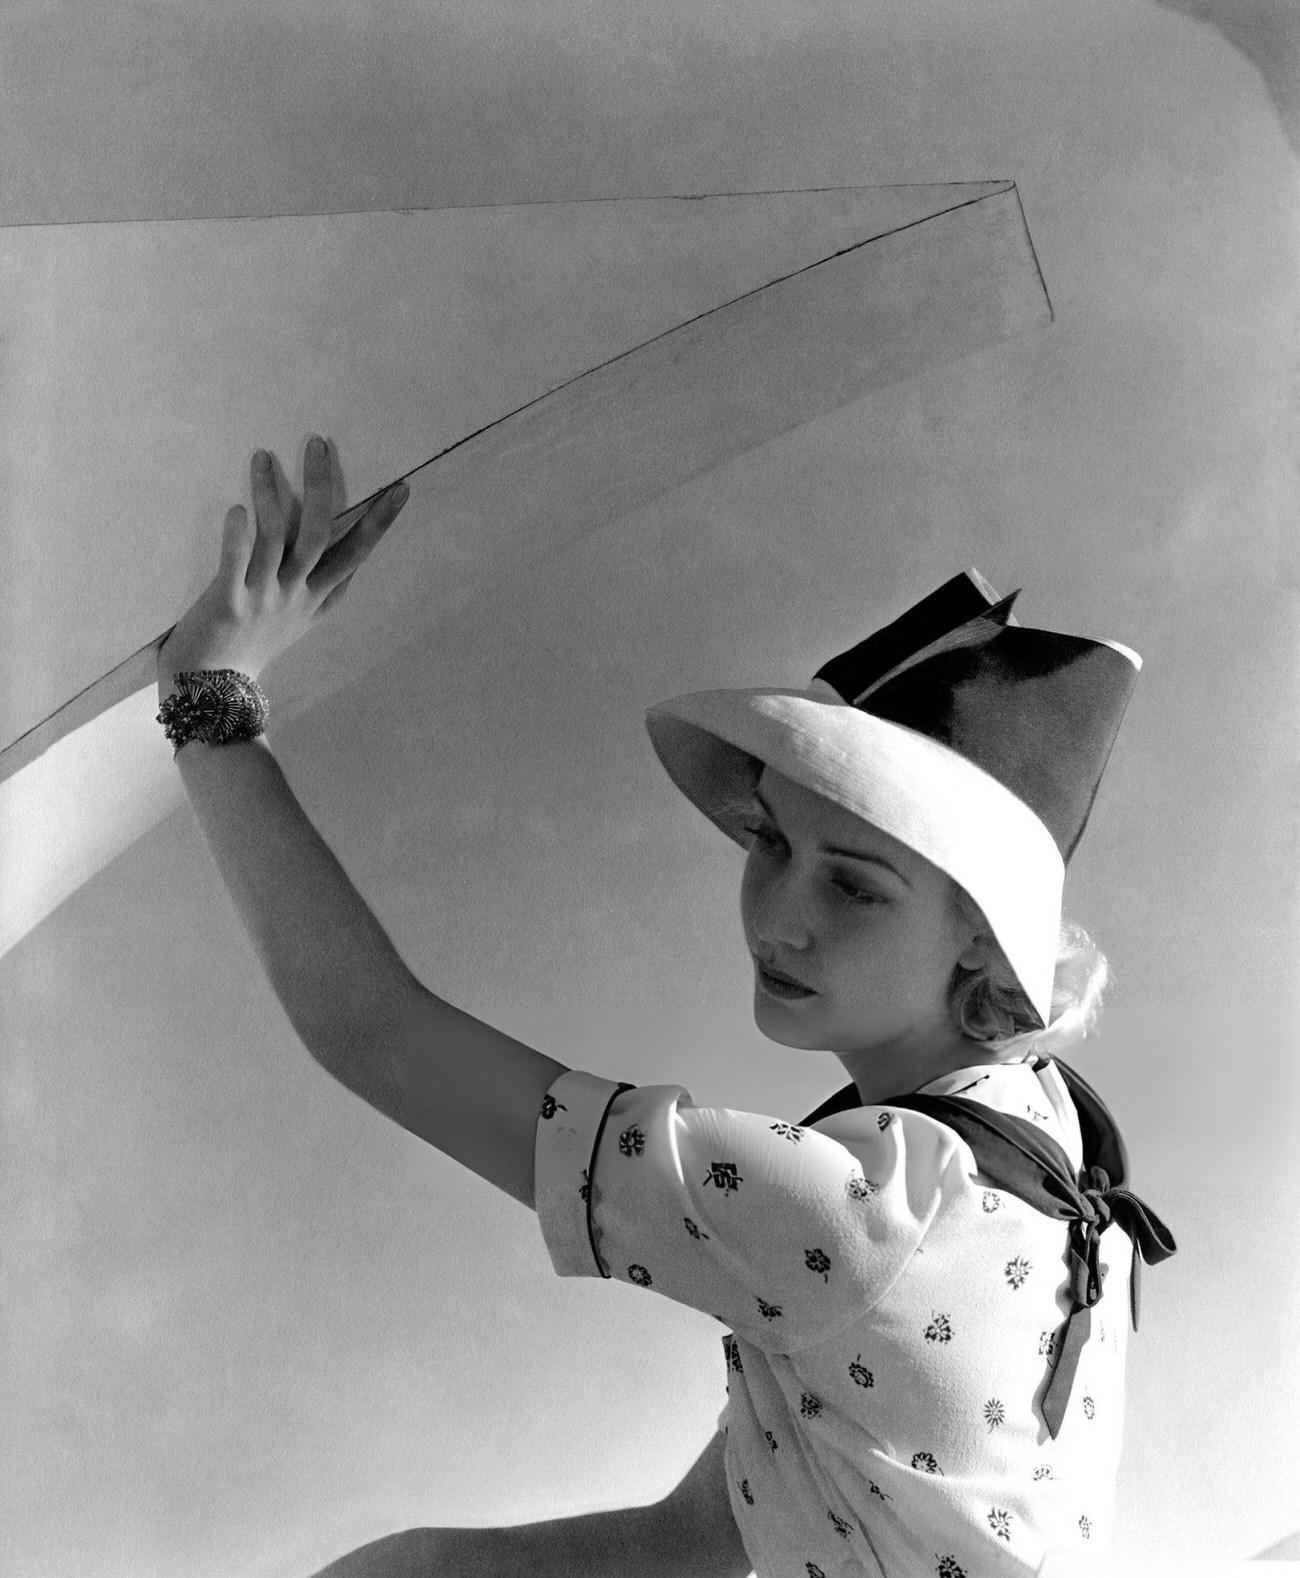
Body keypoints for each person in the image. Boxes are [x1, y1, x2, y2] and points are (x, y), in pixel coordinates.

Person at [156, 436, 1174, 1578]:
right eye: (771, 841)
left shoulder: (871, 1209)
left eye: (852, 884)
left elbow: (381, 1035)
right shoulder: (1048, 1157)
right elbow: (695, 1540)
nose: (779, 917)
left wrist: (206, 704)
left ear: (985, 950)